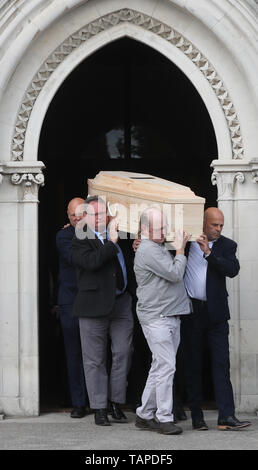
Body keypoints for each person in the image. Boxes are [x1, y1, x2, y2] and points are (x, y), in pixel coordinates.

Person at [182, 207, 251, 431]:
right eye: (214, 225)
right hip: (191, 311)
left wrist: (209, 254)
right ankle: (197, 417)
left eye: (221, 225)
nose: (219, 229)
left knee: (221, 364)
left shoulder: (227, 245)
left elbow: (232, 269)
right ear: (203, 223)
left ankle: (226, 417)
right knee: (193, 364)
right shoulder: (186, 242)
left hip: (217, 314)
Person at [71, 195, 134, 426]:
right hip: (92, 306)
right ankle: (99, 407)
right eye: (94, 214)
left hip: (121, 303)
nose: (99, 218)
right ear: (85, 216)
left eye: (102, 214)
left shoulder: (120, 232)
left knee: (123, 352)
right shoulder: (79, 237)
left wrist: (127, 242)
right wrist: (111, 243)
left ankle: (116, 402)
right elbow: (91, 262)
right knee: (94, 360)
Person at [134, 207, 191, 435]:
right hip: (157, 317)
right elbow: (175, 274)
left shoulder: (154, 246)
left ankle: (144, 414)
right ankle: (164, 418)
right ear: (145, 229)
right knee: (166, 366)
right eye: (159, 228)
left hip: (167, 315)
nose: (164, 231)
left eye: (164, 226)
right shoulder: (149, 250)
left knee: (159, 366)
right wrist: (180, 249)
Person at [56, 197, 89, 418]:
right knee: (74, 353)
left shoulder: (95, 233)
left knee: (96, 354)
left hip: (93, 300)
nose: (76, 218)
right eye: (72, 215)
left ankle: (99, 401)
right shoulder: (63, 235)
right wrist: (82, 230)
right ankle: (78, 403)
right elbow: (75, 258)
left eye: (80, 213)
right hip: (70, 301)